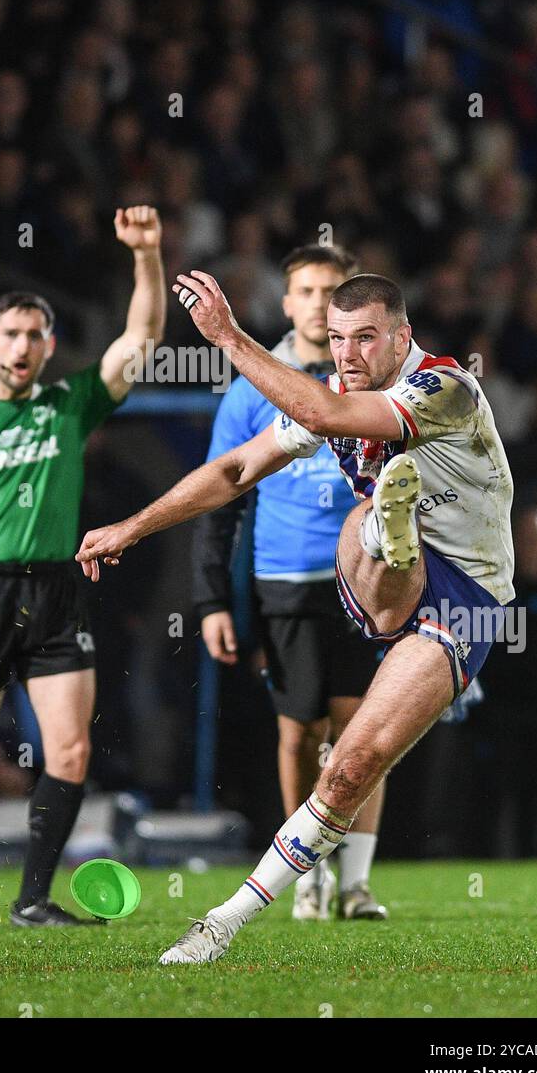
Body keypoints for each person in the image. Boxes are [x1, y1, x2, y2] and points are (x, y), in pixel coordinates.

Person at [76, 270, 514, 963]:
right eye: (338, 340)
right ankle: (382, 530)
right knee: (369, 512)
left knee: (348, 768)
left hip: (467, 601)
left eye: (367, 338)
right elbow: (232, 472)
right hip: (382, 581)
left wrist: (225, 336)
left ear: (403, 336)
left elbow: (327, 419)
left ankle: (225, 919)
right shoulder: (336, 393)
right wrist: (132, 526)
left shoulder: (445, 389)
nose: (348, 355)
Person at [0, 206, 165, 926]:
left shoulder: (69, 406)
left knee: (71, 749)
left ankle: (33, 899)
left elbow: (140, 338)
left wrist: (146, 256)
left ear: (50, 344)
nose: (21, 345)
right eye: (9, 333)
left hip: (53, 591)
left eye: (34, 334)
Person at [192, 243, 387, 920]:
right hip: (286, 579)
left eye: (332, 293)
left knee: (361, 730)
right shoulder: (254, 388)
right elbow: (219, 491)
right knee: (300, 733)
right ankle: (307, 872)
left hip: (366, 581)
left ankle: (356, 882)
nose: (317, 304)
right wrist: (212, 598)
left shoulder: (372, 382)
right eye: (306, 291)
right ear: (287, 302)